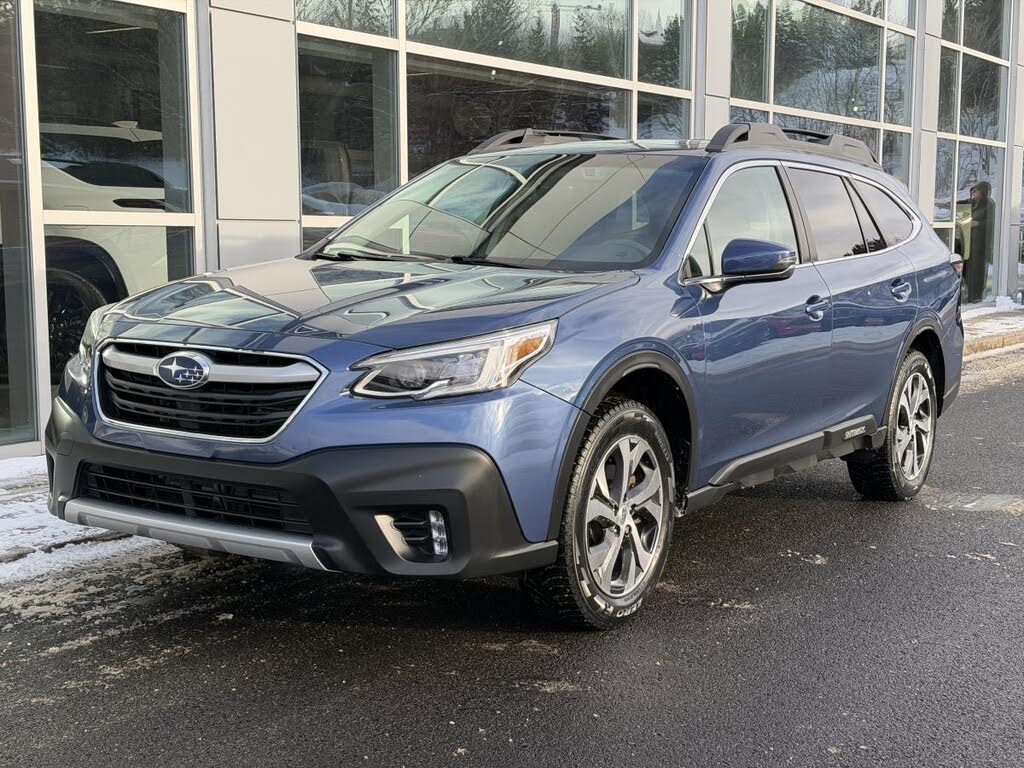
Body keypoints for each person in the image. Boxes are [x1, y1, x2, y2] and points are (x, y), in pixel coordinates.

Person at [966, 181, 994, 303]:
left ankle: (976, 296)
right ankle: (969, 294)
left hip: (981, 244)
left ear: (982, 192)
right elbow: (959, 206)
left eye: (976, 191)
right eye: (972, 191)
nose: (973, 193)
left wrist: (977, 224)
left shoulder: (989, 205)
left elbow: (992, 222)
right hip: (969, 243)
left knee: (978, 270)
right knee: (969, 270)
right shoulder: (972, 203)